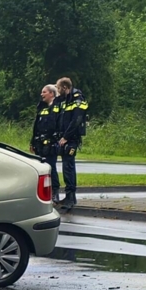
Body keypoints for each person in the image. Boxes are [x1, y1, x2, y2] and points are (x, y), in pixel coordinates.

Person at [56, 77, 88, 210]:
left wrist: (65, 137)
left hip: (71, 139)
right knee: (66, 166)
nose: (58, 91)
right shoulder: (66, 100)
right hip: (65, 138)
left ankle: (71, 197)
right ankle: (69, 196)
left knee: (69, 167)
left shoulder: (77, 99)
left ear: (64, 87)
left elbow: (76, 120)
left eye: (58, 88)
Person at [30, 84, 61, 203]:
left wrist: (55, 139)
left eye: (44, 92)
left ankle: (55, 192)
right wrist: (32, 142)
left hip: (51, 143)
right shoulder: (42, 107)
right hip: (39, 143)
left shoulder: (58, 107)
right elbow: (36, 126)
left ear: (51, 94)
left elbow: (58, 125)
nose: (41, 94)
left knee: (51, 167)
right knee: (40, 168)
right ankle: (43, 193)